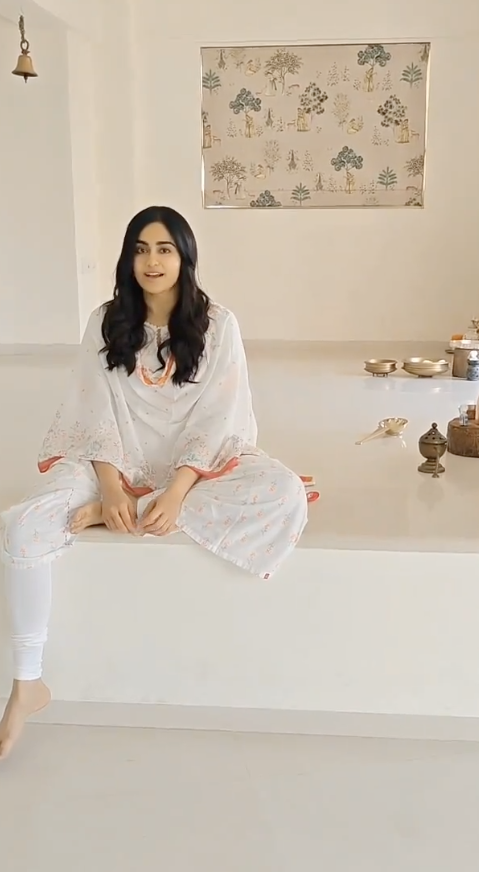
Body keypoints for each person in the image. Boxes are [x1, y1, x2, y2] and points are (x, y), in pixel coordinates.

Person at [0, 206, 308, 759]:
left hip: (194, 467)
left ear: (185, 257)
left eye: (165, 249)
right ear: (128, 257)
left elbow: (218, 417)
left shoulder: (218, 325)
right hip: (111, 463)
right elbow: (92, 409)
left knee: (282, 493)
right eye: (140, 249)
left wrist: (176, 490)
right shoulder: (105, 321)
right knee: (22, 528)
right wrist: (111, 487)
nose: (152, 261)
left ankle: (125, 514)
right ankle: (27, 683)